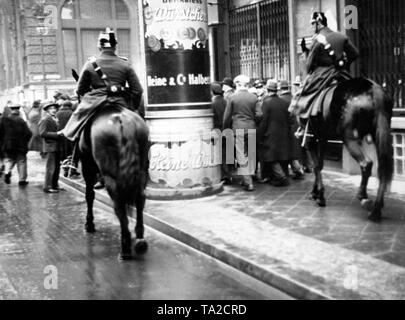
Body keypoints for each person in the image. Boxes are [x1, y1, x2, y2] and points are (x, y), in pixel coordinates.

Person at [59, 27, 143, 141]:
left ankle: (71, 147)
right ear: (115, 46)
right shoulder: (125, 65)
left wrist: (89, 96)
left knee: (78, 123)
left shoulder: (90, 64)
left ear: (100, 46)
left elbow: (80, 89)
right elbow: (138, 90)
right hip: (121, 101)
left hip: (96, 102)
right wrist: (133, 106)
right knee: (140, 128)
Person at [289, 12, 359, 133]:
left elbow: (310, 62)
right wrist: (344, 65)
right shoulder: (341, 36)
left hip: (322, 74)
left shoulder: (317, 39)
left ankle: (304, 128)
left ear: (318, 23)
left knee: (302, 95)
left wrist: (309, 69)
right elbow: (354, 54)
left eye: (312, 24)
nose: (312, 27)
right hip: (340, 73)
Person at [223, 75, 257, 191]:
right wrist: (253, 121)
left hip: (238, 128)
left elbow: (227, 116)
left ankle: (248, 181)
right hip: (251, 127)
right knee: (251, 153)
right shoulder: (253, 97)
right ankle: (248, 176)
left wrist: (225, 128)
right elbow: (260, 114)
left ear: (237, 84)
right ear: (247, 85)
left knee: (241, 154)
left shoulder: (232, 98)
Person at [257, 80, 291, 186]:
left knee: (270, 156)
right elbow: (289, 119)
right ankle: (280, 175)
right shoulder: (284, 102)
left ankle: (281, 176)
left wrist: (259, 135)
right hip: (283, 133)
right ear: (276, 90)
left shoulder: (266, 103)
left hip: (270, 134)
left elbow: (263, 122)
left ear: (267, 90)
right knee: (282, 156)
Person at [0, 103, 32, 186]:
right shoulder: (21, 120)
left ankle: (7, 172)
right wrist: (25, 141)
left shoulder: (4, 120)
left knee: (10, 159)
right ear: (18, 110)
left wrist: (4, 142)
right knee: (21, 161)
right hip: (20, 145)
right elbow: (28, 133)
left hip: (8, 145)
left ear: (11, 110)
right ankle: (22, 180)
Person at [279, 80, 304, 180]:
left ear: (281, 89)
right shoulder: (294, 97)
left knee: (289, 151)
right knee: (294, 151)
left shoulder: (281, 100)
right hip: (296, 126)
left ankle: (297, 170)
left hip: (286, 128)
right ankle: (297, 169)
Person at [39, 103, 63, 193]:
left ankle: (55, 185)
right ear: (47, 110)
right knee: (51, 167)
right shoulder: (45, 119)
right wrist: (57, 134)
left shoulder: (55, 118)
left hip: (56, 146)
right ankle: (48, 187)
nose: (53, 110)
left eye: (55, 108)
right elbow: (42, 133)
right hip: (50, 146)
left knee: (57, 167)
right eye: (51, 108)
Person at [211, 81, 232, 184]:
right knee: (227, 153)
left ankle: (224, 175)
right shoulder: (226, 101)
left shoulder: (212, 103)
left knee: (220, 154)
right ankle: (228, 174)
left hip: (217, 130)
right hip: (227, 129)